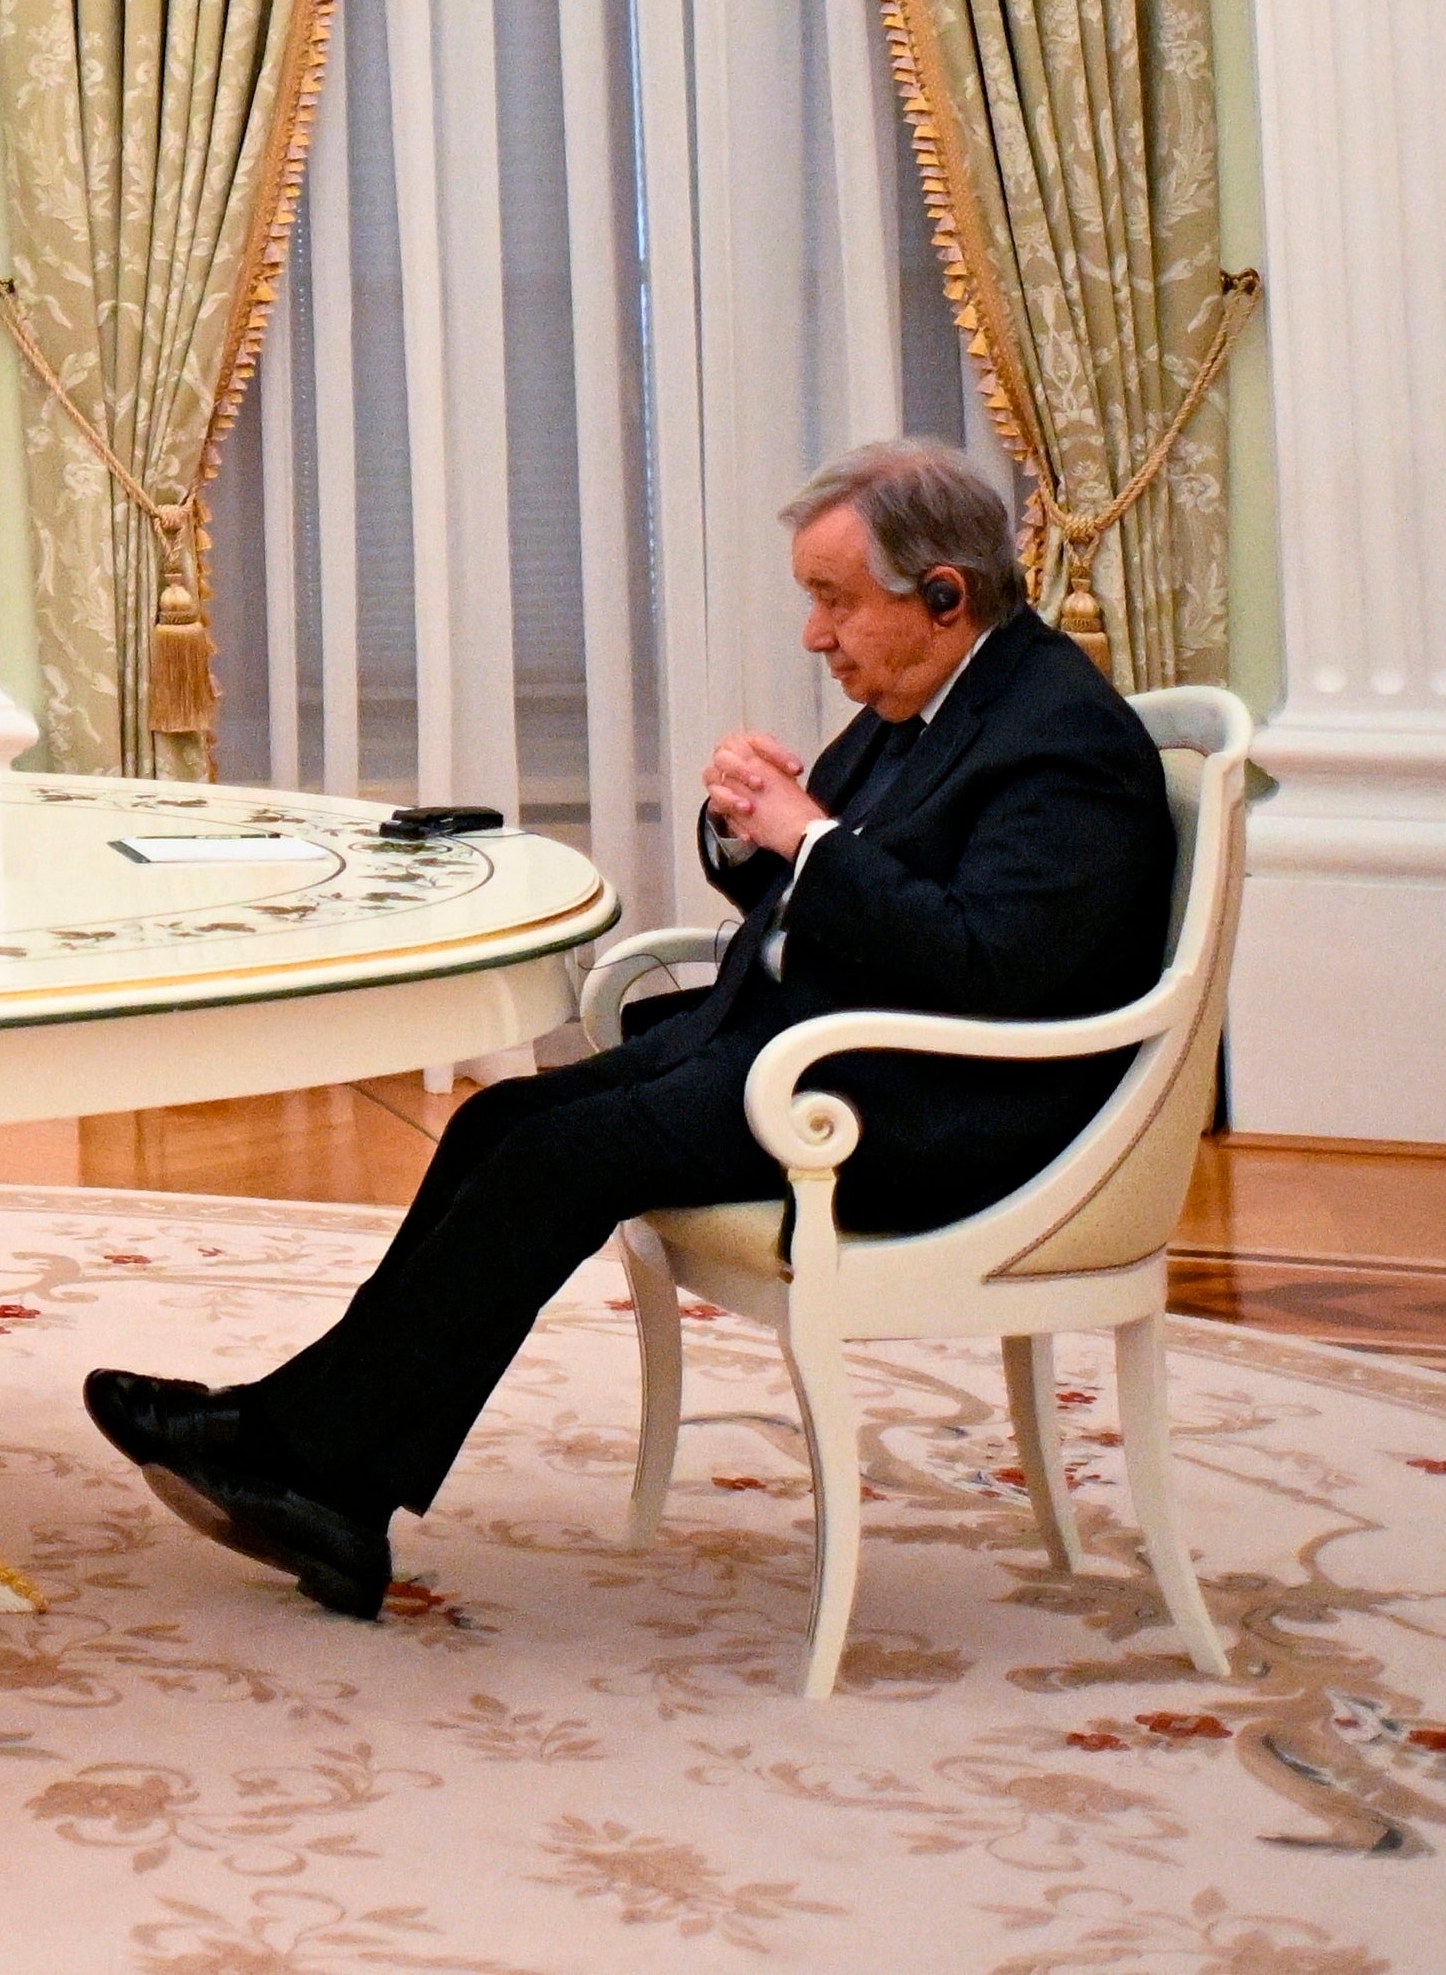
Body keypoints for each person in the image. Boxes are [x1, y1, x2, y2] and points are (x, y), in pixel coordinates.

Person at [86, 438, 1179, 1616]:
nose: (818, 636)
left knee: (559, 1155)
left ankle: (309, 1461)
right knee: (503, 1116)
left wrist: (806, 835)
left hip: (933, 1108)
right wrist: (748, 826)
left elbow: (990, 966)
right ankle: (308, 1447)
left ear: (946, 594)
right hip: (823, 1049)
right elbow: (832, 881)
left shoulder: (1060, 736)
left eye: (835, 601)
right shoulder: (937, 690)